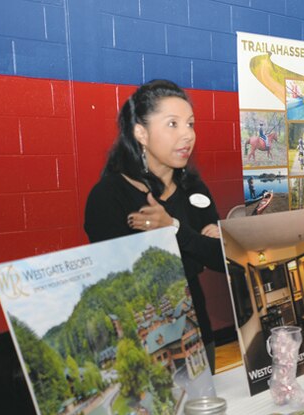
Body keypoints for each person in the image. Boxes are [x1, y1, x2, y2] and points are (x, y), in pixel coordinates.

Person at [84, 79, 224, 372]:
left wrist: (173, 228)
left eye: (190, 124)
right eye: (173, 124)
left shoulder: (194, 189)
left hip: (198, 332)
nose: (187, 134)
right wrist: (195, 243)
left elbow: (223, 259)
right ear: (141, 133)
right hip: (144, 343)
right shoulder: (109, 195)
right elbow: (119, 280)